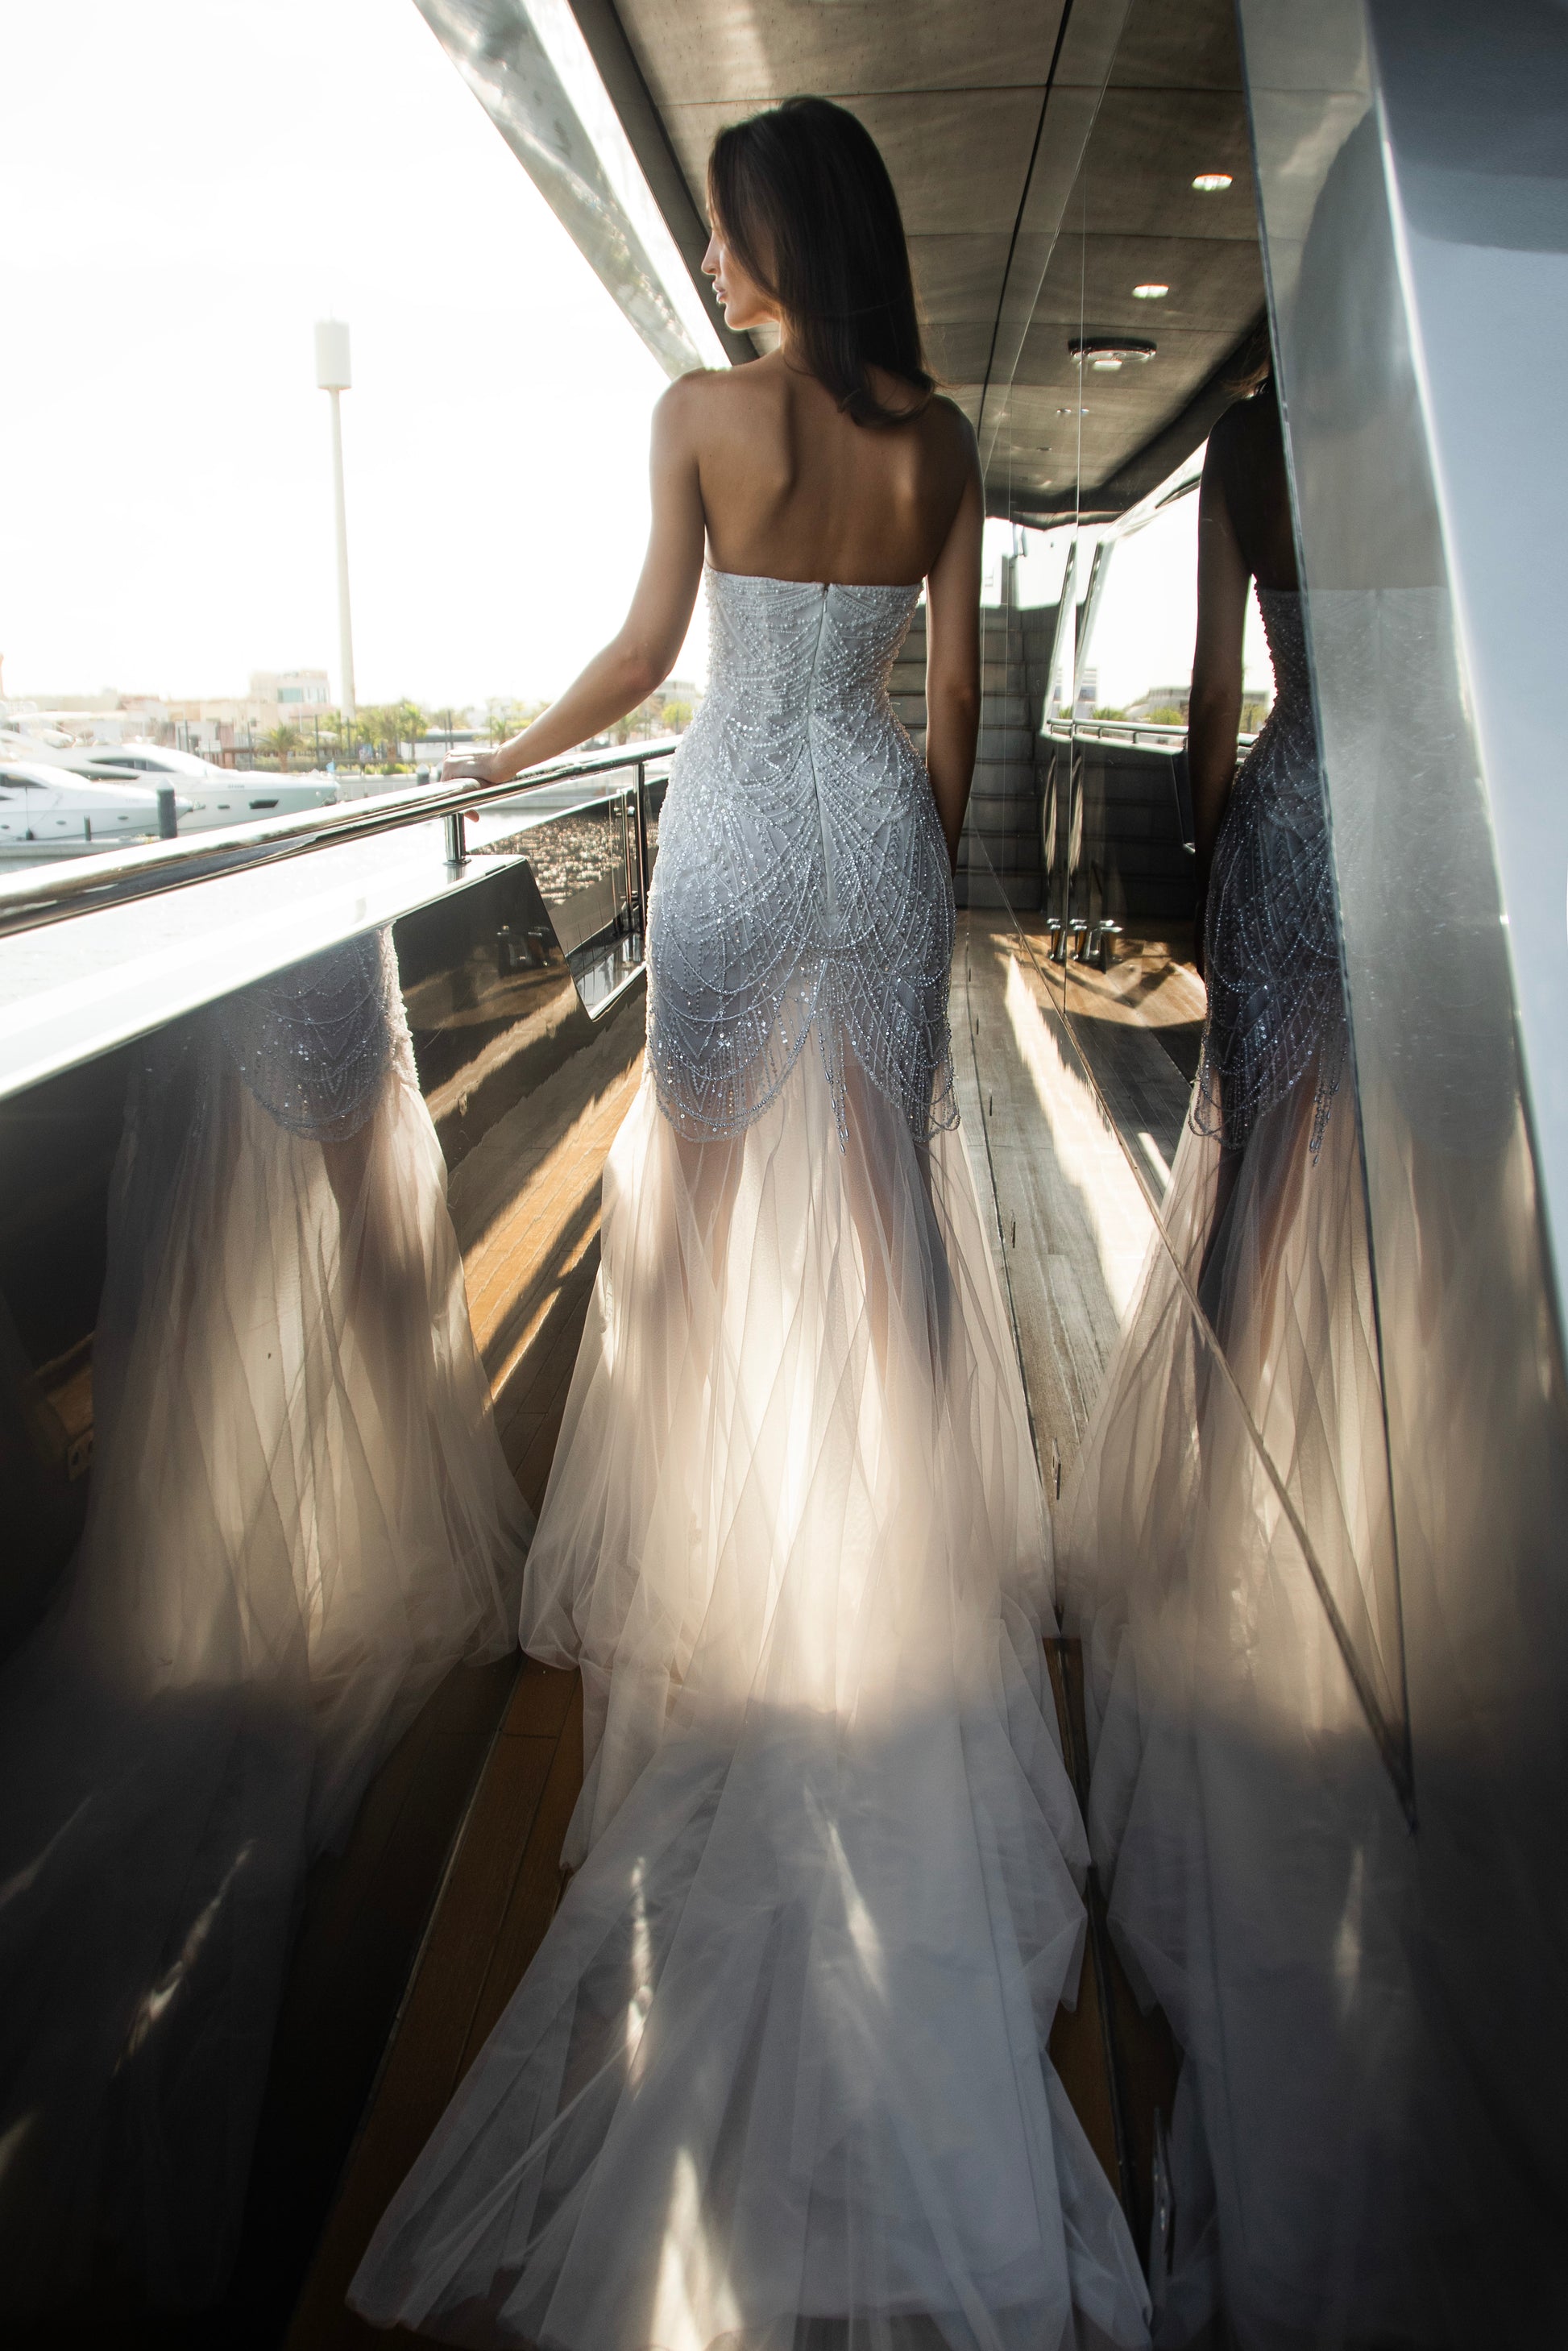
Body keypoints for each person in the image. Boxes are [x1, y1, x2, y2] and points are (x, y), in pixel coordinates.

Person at [349, 97, 1151, 2351]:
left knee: (703, 1229)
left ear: (781, 237)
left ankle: (730, 1585)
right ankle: (887, 1581)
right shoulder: (948, 436)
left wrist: (494, 770)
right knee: (879, 1240)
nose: (709, 268)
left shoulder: (700, 417)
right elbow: (964, 706)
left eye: (720, 232)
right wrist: (896, 851)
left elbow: (636, 655)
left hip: (721, 857)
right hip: (873, 859)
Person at [0, 929, 529, 2313]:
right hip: (308, 946)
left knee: (218, 1204)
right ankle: (371, 1500)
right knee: (356, 1197)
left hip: (223, 949)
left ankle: (268, 1531)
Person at [1056, 374, 1420, 2344]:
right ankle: (1403, 1554)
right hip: (1440, 839)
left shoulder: (1262, 435)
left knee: (1259, 1211)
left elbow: (1209, 695)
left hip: (1293, 816)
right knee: (1412, 1234)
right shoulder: (1435, 399)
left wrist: (1228, 850)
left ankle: (1229, 1529)